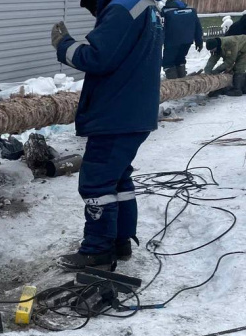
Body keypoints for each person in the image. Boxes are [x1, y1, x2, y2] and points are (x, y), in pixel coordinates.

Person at [50, 0, 163, 270]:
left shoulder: (122, 8)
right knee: (118, 179)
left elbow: (97, 57)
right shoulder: (145, 7)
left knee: (96, 184)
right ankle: (119, 242)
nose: (92, 11)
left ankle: (97, 250)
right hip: (134, 111)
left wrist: (64, 44)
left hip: (116, 112)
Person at [161, 1, 203, 79]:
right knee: (180, 59)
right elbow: (198, 26)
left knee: (168, 63)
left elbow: (162, 27)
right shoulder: (191, 10)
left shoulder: (166, 12)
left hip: (172, 41)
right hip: (187, 41)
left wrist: (159, 42)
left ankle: (175, 85)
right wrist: (199, 41)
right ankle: (182, 81)